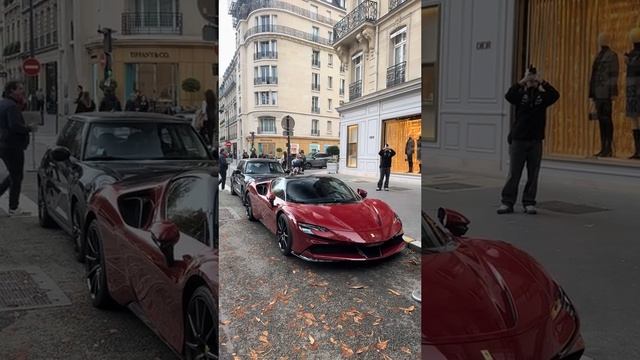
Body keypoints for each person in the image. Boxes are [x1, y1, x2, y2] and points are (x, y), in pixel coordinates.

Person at [498, 66, 560, 215]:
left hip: (536, 140)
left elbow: (555, 95)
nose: (532, 81)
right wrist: (524, 80)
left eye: (533, 79)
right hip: (518, 139)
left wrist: (541, 81)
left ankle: (529, 202)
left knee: (533, 173)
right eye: (530, 79)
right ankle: (507, 202)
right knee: (514, 173)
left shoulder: (542, 97)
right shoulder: (520, 95)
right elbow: (509, 95)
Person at [0, 81, 34, 216]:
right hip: (13, 145)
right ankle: (13, 207)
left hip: (4, 143)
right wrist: (28, 128)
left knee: (14, 174)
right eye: (19, 89)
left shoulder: (3, 103)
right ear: (11, 91)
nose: (22, 91)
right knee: (17, 176)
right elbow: (14, 126)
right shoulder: (11, 106)